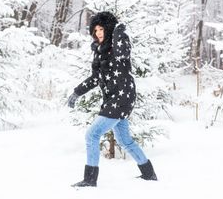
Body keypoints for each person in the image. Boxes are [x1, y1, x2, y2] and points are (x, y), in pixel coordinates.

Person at [67, 11, 157, 187]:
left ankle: (90, 179)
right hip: (113, 99)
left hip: (122, 96)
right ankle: (149, 173)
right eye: (95, 30)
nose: (98, 33)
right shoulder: (99, 52)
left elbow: (123, 52)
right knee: (125, 140)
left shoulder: (118, 45)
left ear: (108, 29)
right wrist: (77, 92)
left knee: (92, 134)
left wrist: (118, 31)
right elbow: (95, 78)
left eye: (102, 29)